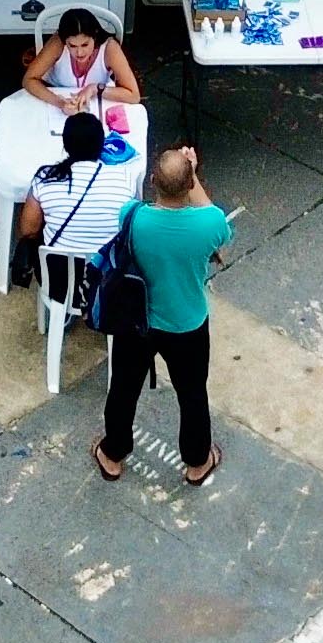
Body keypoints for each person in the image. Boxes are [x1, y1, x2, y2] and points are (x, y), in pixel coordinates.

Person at [93, 143, 234, 485]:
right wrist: (193, 172)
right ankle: (198, 461)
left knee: (124, 388)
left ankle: (113, 453)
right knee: (192, 394)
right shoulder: (209, 224)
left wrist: (182, 172)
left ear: (152, 180)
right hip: (187, 323)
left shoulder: (132, 216)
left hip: (136, 320)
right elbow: (213, 217)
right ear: (189, 185)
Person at [13, 107, 133, 289]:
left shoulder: (45, 178)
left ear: (66, 145)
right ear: (102, 145)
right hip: (106, 281)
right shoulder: (123, 178)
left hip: (57, 282)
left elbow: (28, 230)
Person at [19, 7, 142, 119]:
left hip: (95, 102)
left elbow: (134, 95)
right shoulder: (57, 44)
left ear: (95, 36)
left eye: (85, 44)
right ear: (64, 41)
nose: (79, 52)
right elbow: (29, 79)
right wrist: (60, 102)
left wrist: (95, 88)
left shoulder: (109, 49)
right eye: (72, 46)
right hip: (55, 94)